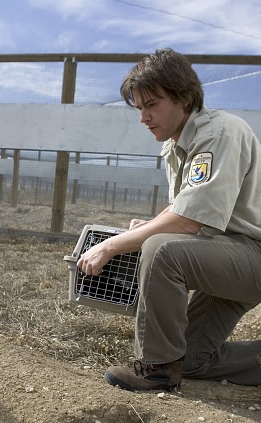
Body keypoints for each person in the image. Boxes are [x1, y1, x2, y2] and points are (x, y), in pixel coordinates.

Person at [77, 48, 261, 391]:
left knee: (163, 249)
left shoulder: (217, 133)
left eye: (152, 105)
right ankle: (178, 362)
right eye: (139, 107)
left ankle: (156, 367)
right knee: (192, 359)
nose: (143, 117)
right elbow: (183, 205)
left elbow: (187, 222)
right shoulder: (176, 142)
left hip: (251, 253)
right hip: (229, 251)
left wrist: (112, 246)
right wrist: (146, 226)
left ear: (184, 98)